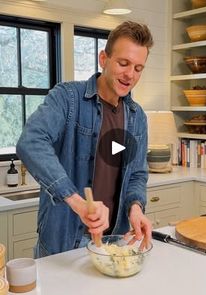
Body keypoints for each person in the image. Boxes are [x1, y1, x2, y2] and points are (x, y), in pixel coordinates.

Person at [16, 21, 154, 258]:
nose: (130, 74)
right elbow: (31, 141)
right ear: (104, 59)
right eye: (123, 63)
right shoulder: (67, 98)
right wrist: (78, 203)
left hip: (114, 241)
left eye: (138, 68)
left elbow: (137, 173)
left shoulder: (137, 116)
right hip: (65, 241)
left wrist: (135, 207)